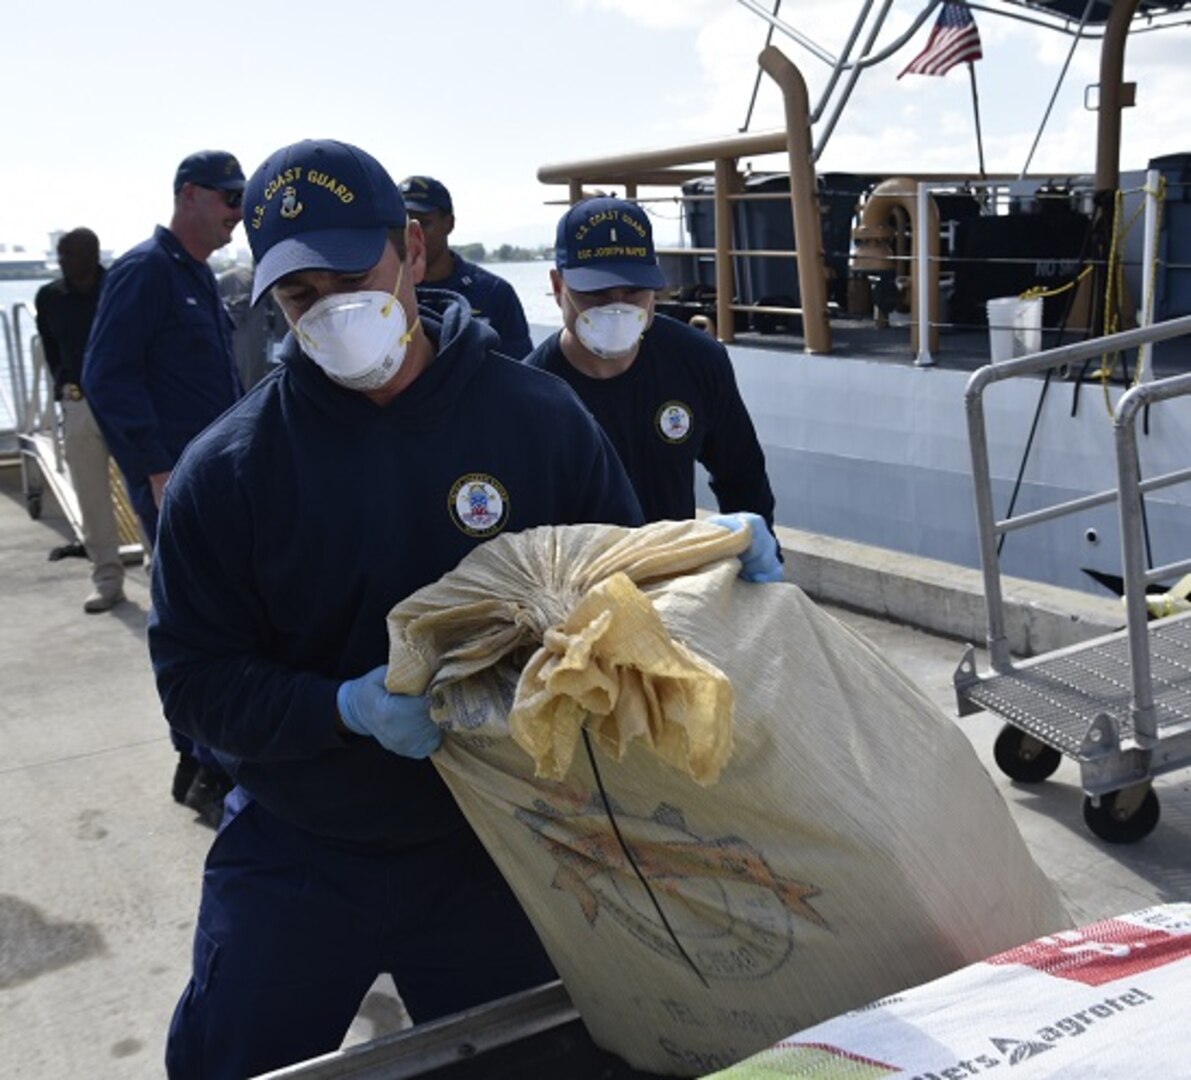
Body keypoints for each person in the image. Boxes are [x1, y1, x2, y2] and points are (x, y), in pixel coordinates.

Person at [147, 138, 647, 1080]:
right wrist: (339, 708)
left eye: (354, 274)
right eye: (300, 297)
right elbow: (195, 684)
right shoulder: (229, 472)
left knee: (546, 1059)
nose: (333, 312)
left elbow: (627, 594)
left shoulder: (537, 423)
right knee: (225, 1062)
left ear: (412, 251)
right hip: (304, 843)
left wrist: (710, 567)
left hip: (497, 840)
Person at [82, 149, 246, 828]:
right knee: (191, 619)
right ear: (189, 196)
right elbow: (105, 374)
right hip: (174, 484)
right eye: (229, 197)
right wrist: (152, 464)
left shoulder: (197, 276)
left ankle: (207, 754)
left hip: (214, 481)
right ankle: (203, 759)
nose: (238, 211)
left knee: (225, 615)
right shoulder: (147, 273)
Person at [526, 196, 782, 572]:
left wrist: (759, 554)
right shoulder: (531, 395)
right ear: (557, 285)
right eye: (595, 293)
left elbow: (741, 473)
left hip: (674, 577)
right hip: (578, 588)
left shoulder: (697, 361)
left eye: (633, 291)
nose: (616, 307)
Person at [34, 228, 125, 613]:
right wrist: (64, 389)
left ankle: (164, 575)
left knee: (146, 493)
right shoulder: (50, 297)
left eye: (69, 253)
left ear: (92, 254)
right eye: (60, 253)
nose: (62, 260)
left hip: (124, 402)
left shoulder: (119, 289)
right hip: (78, 405)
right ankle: (107, 579)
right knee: (91, 498)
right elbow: (51, 348)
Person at [398, 175, 535, 358]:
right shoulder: (389, 293)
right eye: (403, 225)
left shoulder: (494, 293)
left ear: (449, 223)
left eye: (424, 223)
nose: (414, 236)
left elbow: (522, 370)